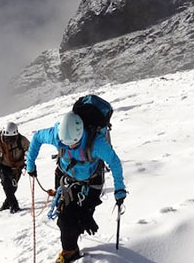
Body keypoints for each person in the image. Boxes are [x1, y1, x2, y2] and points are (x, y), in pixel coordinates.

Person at [26, 112, 127, 263]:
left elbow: (114, 162)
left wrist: (119, 190)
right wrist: (30, 164)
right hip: (65, 178)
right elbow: (37, 137)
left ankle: (74, 237)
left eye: (73, 143)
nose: (69, 146)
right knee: (64, 219)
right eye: (65, 144)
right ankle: (70, 250)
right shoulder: (56, 135)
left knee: (81, 217)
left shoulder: (96, 143)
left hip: (91, 182)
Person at [0, 122, 29, 213]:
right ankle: (14, 206)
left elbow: (30, 150)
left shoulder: (22, 141)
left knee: (13, 187)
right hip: (4, 166)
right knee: (7, 185)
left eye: (12, 139)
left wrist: (29, 162)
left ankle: (6, 204)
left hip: (17, 167)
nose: (9, 141)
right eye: (7, 138)